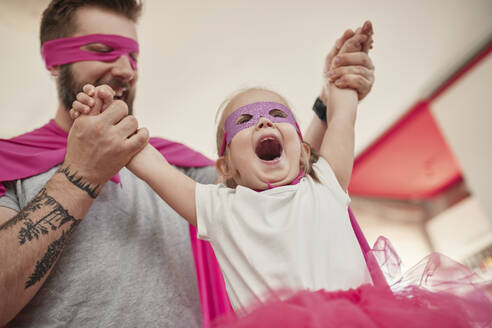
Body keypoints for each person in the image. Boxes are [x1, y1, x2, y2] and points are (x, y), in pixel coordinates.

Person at [74, 21, 492, 327]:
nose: (264, 124)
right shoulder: (218, 208)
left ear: (304, 148)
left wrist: (349, 63)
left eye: (277, 116)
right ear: (226, 166)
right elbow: (148, 162)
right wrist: (106, 112)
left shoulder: (326, 180)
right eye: (246, 121)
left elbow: (343, 115)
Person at [0, 1, 376, 327]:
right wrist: (80, 173)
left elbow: (288, 188)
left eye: (133, 56)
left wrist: (330, 98)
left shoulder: (183, 167)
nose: (127, 69)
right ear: (54, 62)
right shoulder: (9, 164)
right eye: (102, 49)